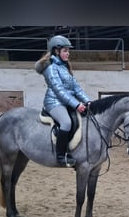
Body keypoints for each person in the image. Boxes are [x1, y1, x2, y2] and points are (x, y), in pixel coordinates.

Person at [35, 35, 92, 167]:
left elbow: (76, 88)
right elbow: (59, 91)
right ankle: (60, 155)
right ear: (56, 51)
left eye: (68, 51)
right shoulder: (51, 68)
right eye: (65, 50)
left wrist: (87, 101)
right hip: (54, 102)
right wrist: (77, 104)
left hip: (67, 102)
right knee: (66, 122)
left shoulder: (65, 67)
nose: (68, 53)